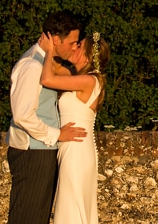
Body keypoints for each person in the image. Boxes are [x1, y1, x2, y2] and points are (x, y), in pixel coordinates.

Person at [7, 12, 87, 224]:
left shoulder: (44, 63)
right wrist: (57, 134)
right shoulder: (32, 66)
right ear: (56, 39)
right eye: (72, 42)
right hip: (33, 152)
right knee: (27, 218)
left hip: (41, 150)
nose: (74, 47)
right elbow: (23, 115)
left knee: (36, 217)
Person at [41, 31, 110, 224]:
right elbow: (54, 68)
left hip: (77, 149)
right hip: (71, 147)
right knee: (70, 203)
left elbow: (47, 79)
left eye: (78, 46)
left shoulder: (90, 80)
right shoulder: (78, 76)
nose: (74, 47)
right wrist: (54, 46)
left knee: (71, 205)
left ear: (87, 55)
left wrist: (47, 52)